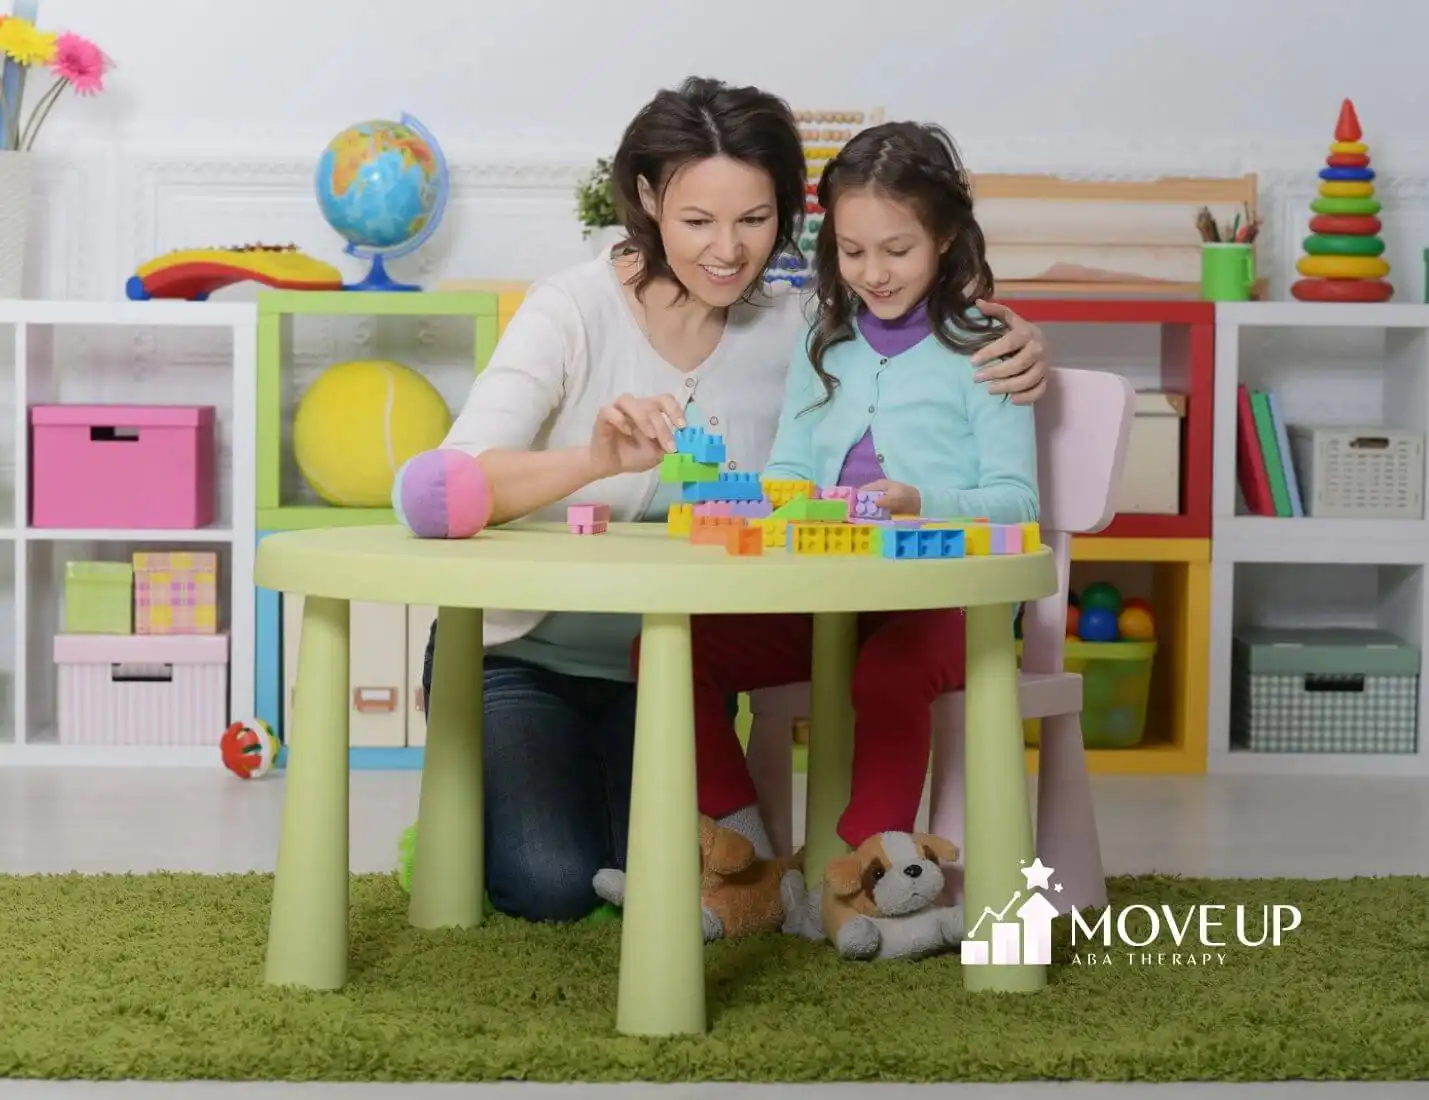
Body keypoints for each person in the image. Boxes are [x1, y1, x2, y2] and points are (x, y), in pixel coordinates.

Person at [421, 77, 1051, 925]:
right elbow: (448, 484)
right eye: (696, 221)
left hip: (669, 655)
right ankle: (583, 831)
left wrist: (1019, 340)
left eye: (753, 219)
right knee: (550, 882)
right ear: (648, 199)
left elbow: (913, 331)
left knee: (650, 865)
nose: (727, 250)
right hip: (530, 656)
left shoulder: (802, 327)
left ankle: (759, 875)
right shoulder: (569, 310)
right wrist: (592, 460)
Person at [625, 119, 1039, 959]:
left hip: (950, 609)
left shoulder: (984, 351)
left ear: (944, 237)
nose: (873, 273)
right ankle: (748, 859)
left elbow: (1015, 501)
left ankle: (858, 878)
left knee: (888, 672)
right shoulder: (827, 342)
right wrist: (768, 500)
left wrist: (921, 500)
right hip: (833, 598)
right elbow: (788, 464)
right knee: (671, 647)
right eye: (851, 252)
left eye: (896, 250)